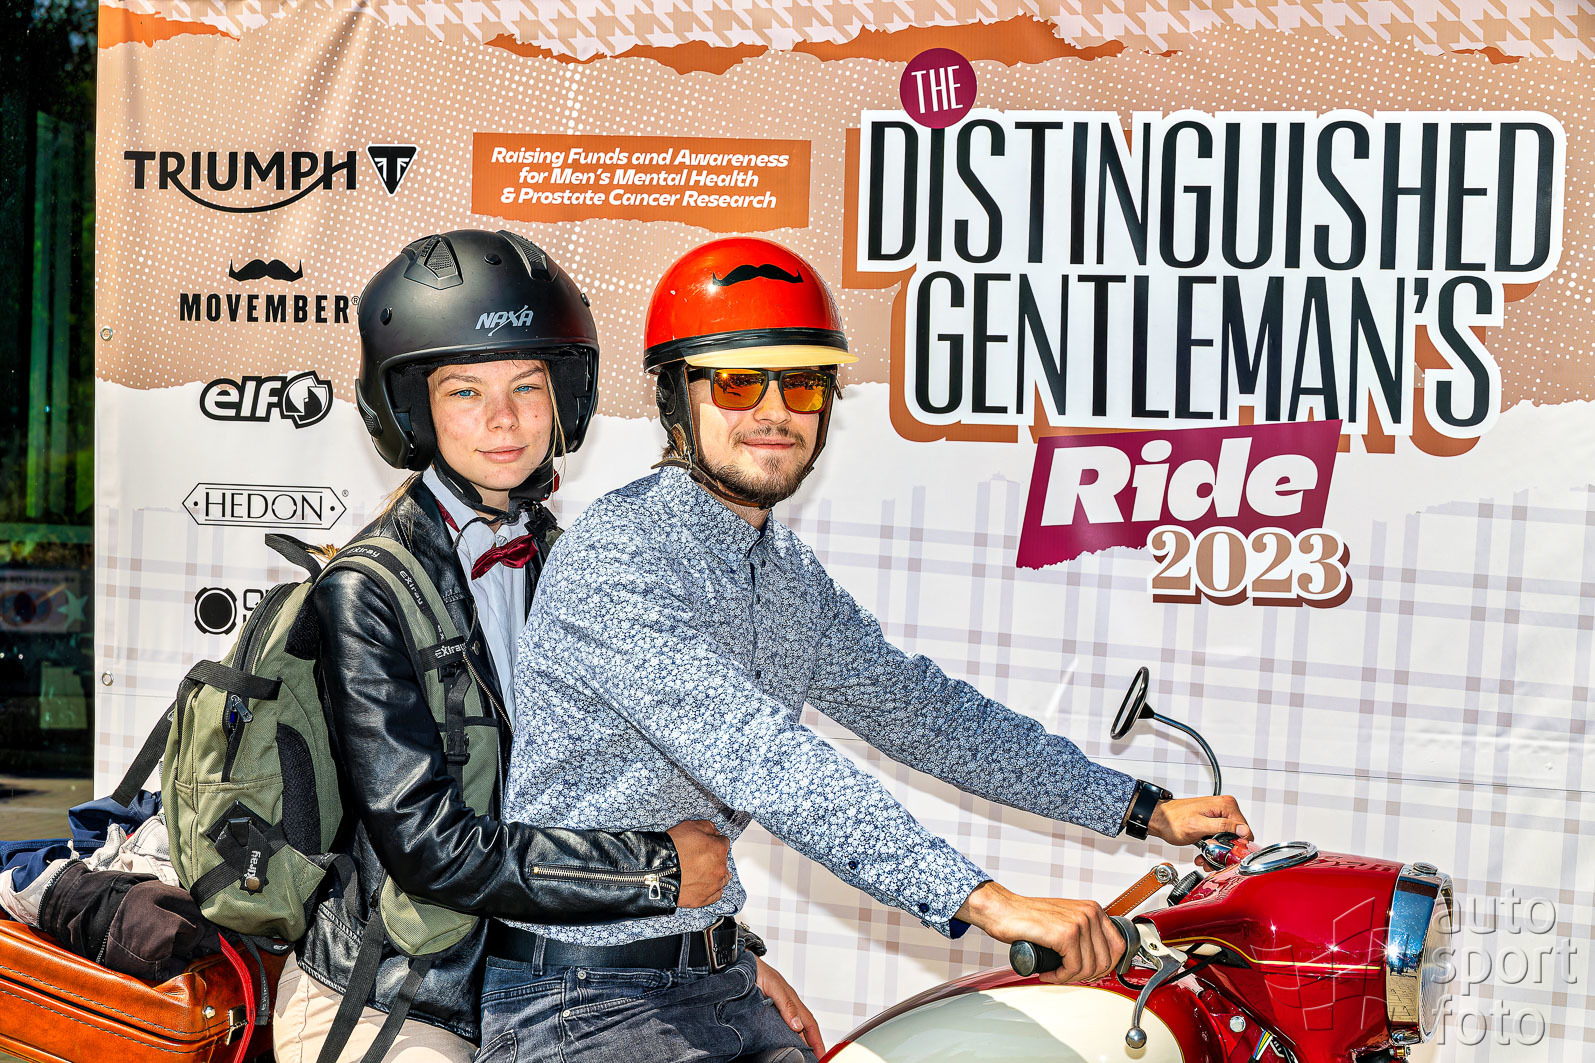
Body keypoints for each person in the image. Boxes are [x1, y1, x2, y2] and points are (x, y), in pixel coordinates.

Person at [484, 236, 1254, 1063]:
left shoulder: (782, 570)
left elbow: (921, 711)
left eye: (802, 383)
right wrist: (984, 901)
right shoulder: (619, 554)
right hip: (586, 1004)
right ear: (676, 397)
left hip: (713, 979)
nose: (774, 411)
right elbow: (765, 757)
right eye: (739, 382)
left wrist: (1137, 806)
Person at [272, 229, 816, 1063]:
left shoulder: (574, 564)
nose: (504, 419)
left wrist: (720, 952)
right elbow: (428, 846)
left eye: (526, 385)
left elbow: (607, 793)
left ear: (563, 394)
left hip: (545, 983)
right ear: (412, 408)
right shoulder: (369, 589)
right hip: (401, 995)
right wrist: (654, 872)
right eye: (465, 390)